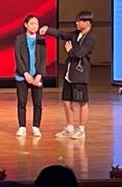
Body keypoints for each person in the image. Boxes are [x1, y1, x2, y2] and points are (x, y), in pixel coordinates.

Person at [39, 11, 95, 139]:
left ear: (87, 23)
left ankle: (81, 129)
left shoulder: (90, 39)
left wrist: (70, 50)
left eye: (79, 21)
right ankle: (70, 127)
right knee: (66, 101)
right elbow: (62, 34)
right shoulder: (76, 34)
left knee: (82, 102)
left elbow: (80, 53)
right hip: (69, 74)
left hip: (80, 75)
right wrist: (48, 30)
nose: (77, 23)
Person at [14, 14, 47, 137]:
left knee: (37, 103)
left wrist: (39, 74)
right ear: (26, 25)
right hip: (22, 76)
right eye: (32, 23)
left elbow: (43, 59)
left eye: (36, 24)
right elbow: (18, 57)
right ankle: (22, 127)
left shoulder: (41, 39)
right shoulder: (19, 39)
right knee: (22, 102)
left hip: (37, 76)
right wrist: (25, 73)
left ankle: (36, 127)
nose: (34, 26)